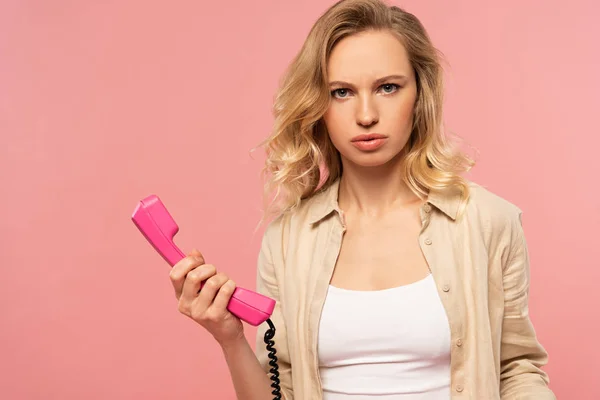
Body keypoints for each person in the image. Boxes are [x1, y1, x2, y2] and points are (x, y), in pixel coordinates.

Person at [168, 0, 556, 399]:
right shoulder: (287, 240)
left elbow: (517, 369)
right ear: (318, 104)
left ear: (420, 93)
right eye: (342, 92)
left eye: (388, 87)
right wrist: (230, 339)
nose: (366, 114)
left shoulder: (488, 221)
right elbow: (278, 391)